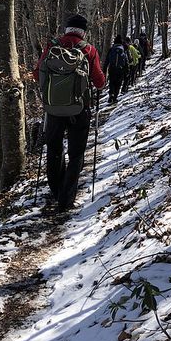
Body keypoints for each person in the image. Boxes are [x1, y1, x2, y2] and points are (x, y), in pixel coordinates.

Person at [33, 14, 105, 212]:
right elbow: (99, 81)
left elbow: (37, 72)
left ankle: (56, 190)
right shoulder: (88, 50)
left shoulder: (52, 47)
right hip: (79, 109)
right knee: (76, 154)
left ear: (66, 29)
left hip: (53, 109)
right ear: (83, 31)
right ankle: (66, 198)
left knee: (54, 150)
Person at [103, 34, 130, 102]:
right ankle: (115, 97)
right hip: (120, 69)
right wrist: (127, 71)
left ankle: (111, 94)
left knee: (111, 82)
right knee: (118, 83)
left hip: (112, 68)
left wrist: (104, 69)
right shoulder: (123, 50)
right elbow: (126, 61)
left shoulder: (112, 49)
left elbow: (107, 60)